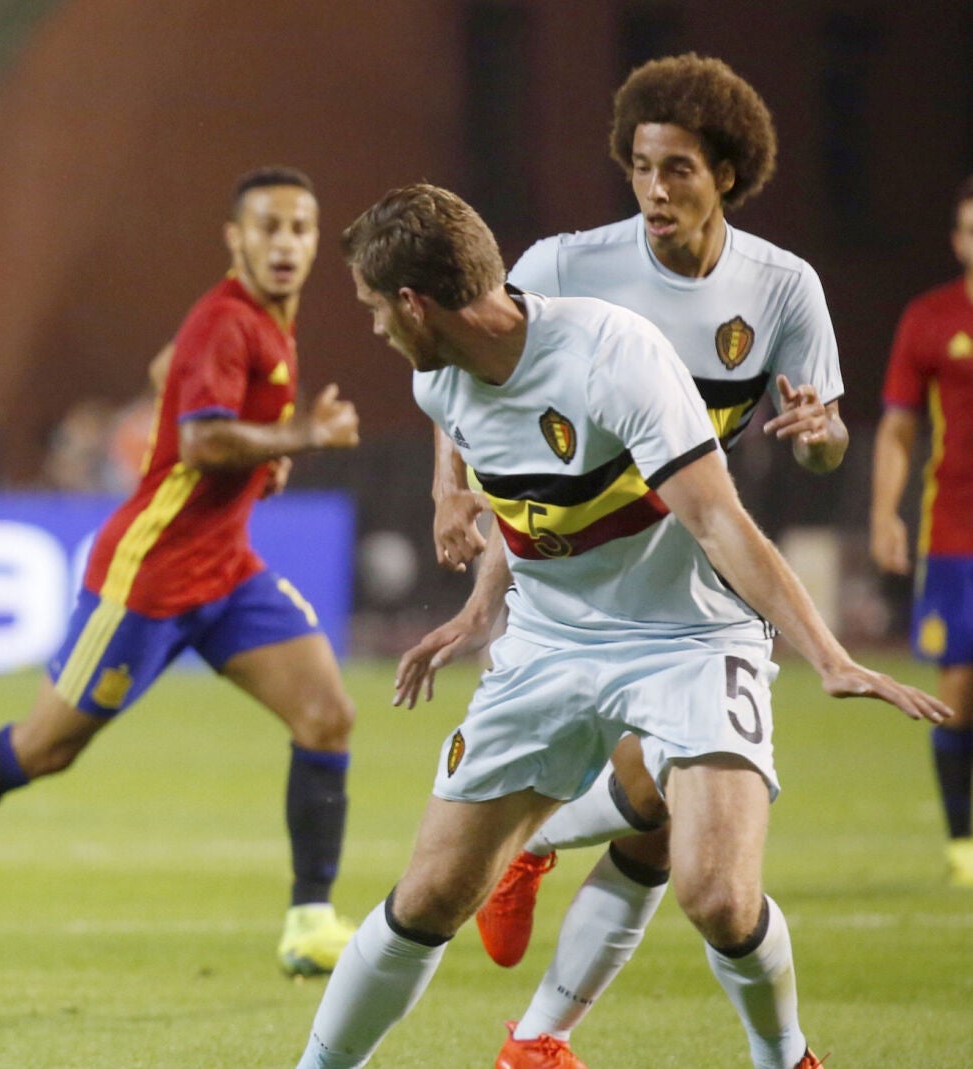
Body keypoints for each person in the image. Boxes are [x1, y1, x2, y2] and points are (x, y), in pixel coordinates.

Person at [297, 182, 948, 1069]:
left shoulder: (611, 354)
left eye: (376, 309)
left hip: (688, 634)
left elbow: (720, 521)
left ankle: (783, 1053)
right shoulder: (439, 383)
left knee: (717, 893)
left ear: (414, 302)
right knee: (432, 894)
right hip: (549, 646)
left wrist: (828, 655)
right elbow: (519, 490)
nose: (375, 328)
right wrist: (477, 595)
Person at [422, 54, 849, 1066]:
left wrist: (818, 433)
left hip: (694, 583)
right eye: (642, 167)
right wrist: (451, 485)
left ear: (729, 175)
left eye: (680, 170)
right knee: (665, 828)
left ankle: (535, 1034)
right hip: (574, 584)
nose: (655, 190)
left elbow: (827, 435)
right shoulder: (567, 263)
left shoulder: (784, 288)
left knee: (675, 845)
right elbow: (467, 357)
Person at [0, 166, 367, 976]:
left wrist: (263, 452)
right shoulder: (224, 321)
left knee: (327, 712)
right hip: (147, 577)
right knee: (46, 747)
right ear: (236, 238)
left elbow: (168, 376)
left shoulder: (268, 319)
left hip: (226, 570)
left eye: (301, 228)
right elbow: (199, 441)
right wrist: (295, 439)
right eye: (269, 227)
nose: (287, 243)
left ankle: (308, 921)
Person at [871, 173, 973, 889]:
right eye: (971, 229)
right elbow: (900, 429)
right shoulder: (930, 318)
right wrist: (884, 512)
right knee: (959, 688)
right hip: (956, 535)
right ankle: (963, 842)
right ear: (957, 239)